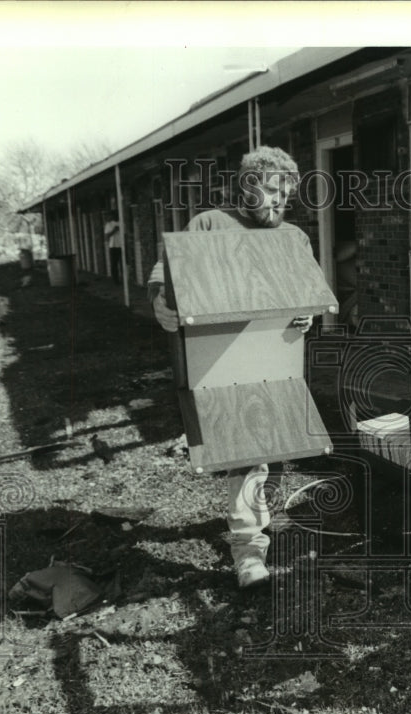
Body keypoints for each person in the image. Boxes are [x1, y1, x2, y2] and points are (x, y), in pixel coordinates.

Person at [147, 145, 316, 589]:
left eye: (287, 196)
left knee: (275, 449)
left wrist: (308, 314)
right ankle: (248, 552)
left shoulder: (295, 237)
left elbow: (309, 290)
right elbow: (166, 275)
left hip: (277, 358)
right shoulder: (209, 224)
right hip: (223, 359)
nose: (281, 203)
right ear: (248, 186)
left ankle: (256, 521)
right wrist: (161, 303)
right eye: (273, 193)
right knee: (249, 454)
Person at [104, 216, 122, 283]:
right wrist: (114, 231)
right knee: (114, 264)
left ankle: (124, 279)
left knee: (123, 264)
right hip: (113, 246)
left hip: (121, 246)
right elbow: (106, 237)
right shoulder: (109, 224)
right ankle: (116, 280)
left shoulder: (122, 223)